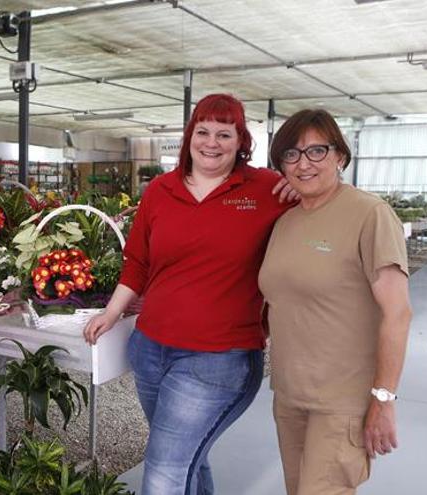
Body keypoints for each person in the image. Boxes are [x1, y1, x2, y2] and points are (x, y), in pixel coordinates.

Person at [84, 93, 294, 495]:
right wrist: (112, 313)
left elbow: (313, 213)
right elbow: (138, 262)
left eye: (224, 133)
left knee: (163, 474)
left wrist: (300, 191)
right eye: (203, 131)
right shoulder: (162, 190)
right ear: (188, 136)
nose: (211, 142)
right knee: (187, 462)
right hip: (150, 350)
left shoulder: (265, 188)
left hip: (219, 359)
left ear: (241, 141)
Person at [259, 109, 412, 495]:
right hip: (290, 395)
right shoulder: (285, 222)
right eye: (291, 155)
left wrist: (383, 399)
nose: (303, 163)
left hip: (342, 401)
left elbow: (398, 313)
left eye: (316, 151)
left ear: (340, 156)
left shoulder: (369, 214)